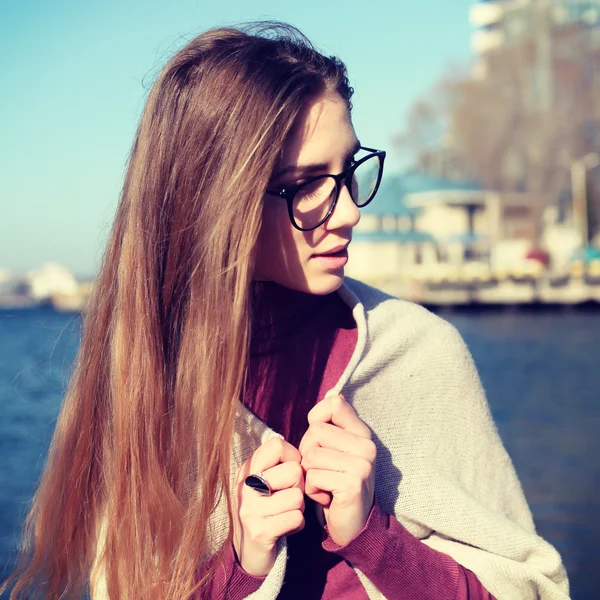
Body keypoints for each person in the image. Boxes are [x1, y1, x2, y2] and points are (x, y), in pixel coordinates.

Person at [2, 23, 570, 600]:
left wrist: (376, 538)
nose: (347, 211)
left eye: (348, 171)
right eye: (304, 184)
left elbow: (533, 589)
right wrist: (241, 566)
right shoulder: (147, 381)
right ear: (214, 201)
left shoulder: (419, 353)